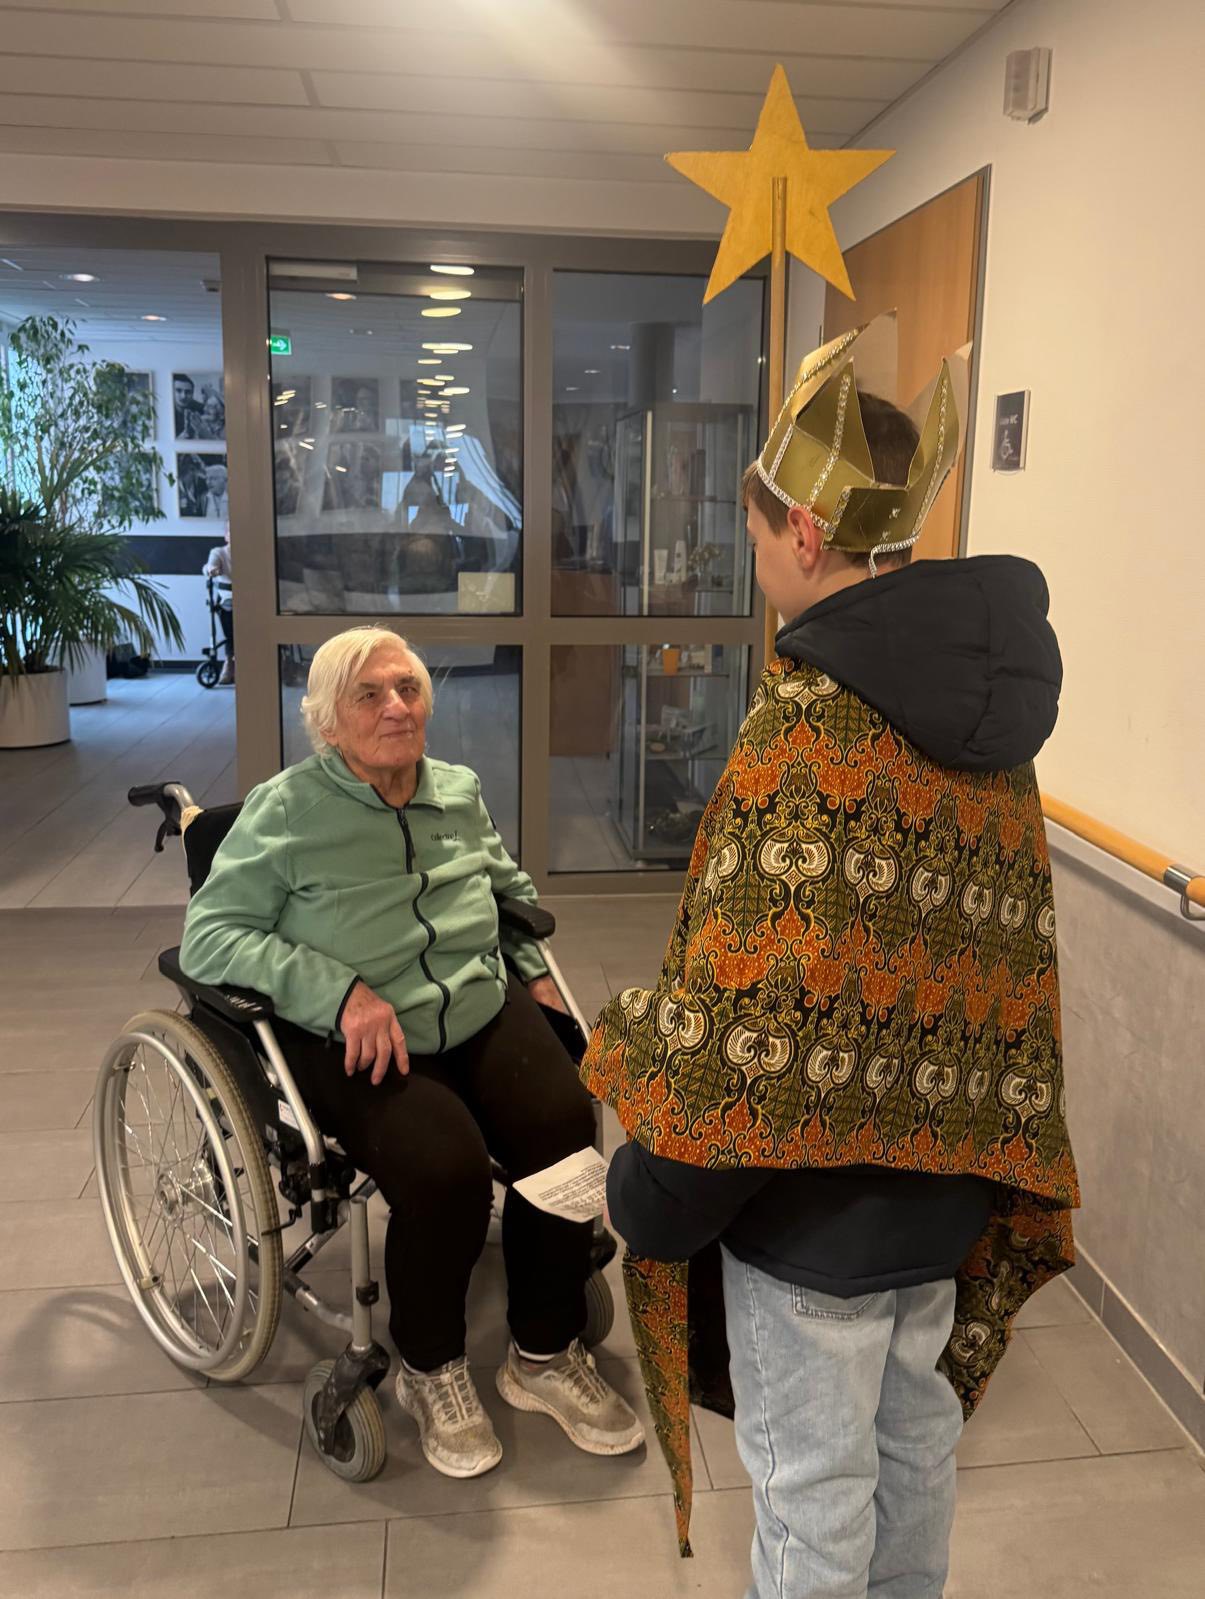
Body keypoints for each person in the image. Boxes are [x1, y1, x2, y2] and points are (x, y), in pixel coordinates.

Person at [582, 313, 1078, 1591]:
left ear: (803, 534)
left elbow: (749, 1014)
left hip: (806, 1225)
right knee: (912, 1472)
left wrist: (650, 1190)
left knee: (810, 1513)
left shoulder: (808, 723)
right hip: (943, 1200)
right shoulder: (992, 730)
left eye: (755, 538)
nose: (756, 563)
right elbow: (996, 974)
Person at [179, 626, 644, 1480]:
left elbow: (507, 890)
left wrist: (538, 977)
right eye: (370, 694)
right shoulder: (285, 812)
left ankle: (543, 1351)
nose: (397, 707)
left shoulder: (457, 790)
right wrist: (336, 991)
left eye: (409, 689)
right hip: (354, 1030)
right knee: (444, 1172)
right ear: (328, 721)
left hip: (475, 1000)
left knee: (565, 1125)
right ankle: (431, 1366)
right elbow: (208, 936)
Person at [203, 522, 235, 685]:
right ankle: (229, 663)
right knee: (232, 635)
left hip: (252, 600)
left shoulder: (252, 552)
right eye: (231, 532)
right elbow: (211, 565)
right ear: (226, 535)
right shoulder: (219, 552)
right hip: (229, 600)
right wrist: (212, 569)